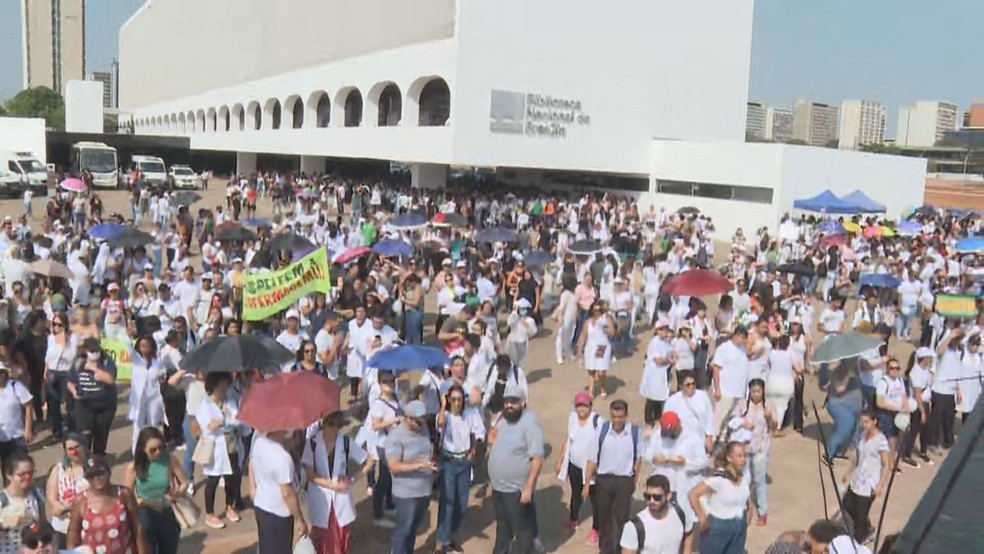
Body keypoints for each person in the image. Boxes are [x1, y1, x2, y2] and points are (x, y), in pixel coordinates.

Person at [301, 411, 372, 554]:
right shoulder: (312, 444)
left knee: (340, 536)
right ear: (325, 424)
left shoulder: (345, 441)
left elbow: (369, 461)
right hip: (320, 498)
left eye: (339, 426)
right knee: (322, 538)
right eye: (333, 426)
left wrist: (352, 479)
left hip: (341, 499)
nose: (336, 430)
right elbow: (310, 474)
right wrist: (331, 485)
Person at [488, 384, 544, 554]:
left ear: (523, 402)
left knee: (523, 533)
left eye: (514, 401)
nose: (509, 405)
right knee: (503, 529)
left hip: (516, 491)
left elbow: (537, 459)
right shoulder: (505, 418)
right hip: (499, 488)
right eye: (506, 401)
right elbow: (491, 435)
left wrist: (528, 488)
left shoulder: (530, 422)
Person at [583, 399, 642, 554]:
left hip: (624, 480)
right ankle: (606, 550)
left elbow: (638, 459)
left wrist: (633, 481)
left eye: (620, 416)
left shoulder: (635, 432)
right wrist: (587, 483)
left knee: (622, 518)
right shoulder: (602, 431)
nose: (617, 420)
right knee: (604, 517)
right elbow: (592, 459)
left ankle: (620, 549)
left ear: (626, 415)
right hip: (604, 480)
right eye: (614, 416)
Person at [435, 384, 485, 553]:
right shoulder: (445, 415)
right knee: (447, 502)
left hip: (464, 461)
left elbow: (480, 433)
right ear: (449, 400)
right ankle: (440, 542)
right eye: (454, 399)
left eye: (460, 399)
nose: (457, 403)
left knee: (461, 504)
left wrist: (474, 451)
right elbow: (440, 424)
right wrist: (443, 405)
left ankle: (450, 536)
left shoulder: (471, 413)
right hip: (448, 461)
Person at [67, 455, 148, 553]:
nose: (97, 478)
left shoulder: (124, 495)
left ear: (109, 472)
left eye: (100, 473)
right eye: (91, 476)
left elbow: (137, 528)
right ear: (86, 478)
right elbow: (73, 534)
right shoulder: (81, 501)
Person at [123, 427, 186, 554]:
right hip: (145, 513)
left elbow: (184, 483)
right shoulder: (133, 467)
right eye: (153, 450)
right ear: (142, 449)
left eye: (161, 447)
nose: (158, 452)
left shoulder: (169, 459)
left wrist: (177, 493)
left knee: (169, 549)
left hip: (167, 510)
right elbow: (127, 495)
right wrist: (140, 501)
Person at [385, 400, 435, 554]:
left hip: (424, 490)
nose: (422, 424)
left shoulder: (424, 428)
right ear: (408, 418)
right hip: (406, 494)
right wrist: (419, 466)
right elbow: (394, 467)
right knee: (403, 531)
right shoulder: (396, 437)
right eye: (419, 421)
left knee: (412, 530)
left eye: (424, 420)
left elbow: (428, 451)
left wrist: (431, 464)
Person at [195, 372, 242, 530]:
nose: (225, 387)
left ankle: (230, 506)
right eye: (222, 384)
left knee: (232, 477)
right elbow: (208, 427)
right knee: (213, 480)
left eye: (226, 384)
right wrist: (224, 420)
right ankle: (210, 513)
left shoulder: (230, 401)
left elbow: (237, 420)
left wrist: (222, 422)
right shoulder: (205, 404)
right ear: (213, 385)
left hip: (231, 444)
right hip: (214, 446)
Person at [249, 430, 306, 554]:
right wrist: (299, 519)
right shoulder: (283, 458)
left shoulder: (259, 443)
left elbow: (252, 463)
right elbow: (287, 493)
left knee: (266, 547)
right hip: (279, 514)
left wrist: (252, 487)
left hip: (261, 505)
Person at [689, 441, 750, 554]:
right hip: (718, 527)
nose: (743, 459)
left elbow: (748, 499)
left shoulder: (745, 476)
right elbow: (694, 494)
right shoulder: (719, 478)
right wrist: (702, 518)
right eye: (739, 456)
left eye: (744, 456)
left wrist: (747, 518)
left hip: (739, 526)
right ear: (729, 458)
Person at [554, 391, 601, 541]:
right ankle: (573, 519)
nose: (581, 409)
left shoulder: (598, 421)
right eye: (578, 405)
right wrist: (560, 460)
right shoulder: (572, 417)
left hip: (590, 468)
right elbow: (568, 438)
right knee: (576, 494)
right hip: (574, 464)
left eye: (584, 405)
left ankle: (596, 529)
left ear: (590, 406)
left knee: (595, 499)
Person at [841, 411, 892, 544]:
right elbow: (858, 457)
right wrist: (849, 472)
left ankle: (860, 539)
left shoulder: (881, 441)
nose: (864, 425)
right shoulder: (863, 436)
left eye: (866, 422)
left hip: (870, 483)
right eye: (863, 422)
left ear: (874, 421)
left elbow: (886, 465)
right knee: (847, 505)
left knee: (861, 514)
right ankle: (867, 529)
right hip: (858, 479)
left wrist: (881, 485)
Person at [67, 338, 117, 456]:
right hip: (84, 404)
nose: (94, 353)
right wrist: (74, 392)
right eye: (91, 351)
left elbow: (110, 379)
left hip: (104, 405)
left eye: (96, 350)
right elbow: (70, 381)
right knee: (85, 436)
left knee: (101, 435)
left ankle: (99, 458)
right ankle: (86, 459)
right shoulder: (79, 362)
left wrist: (93, 368)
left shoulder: (106, 362)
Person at [618, 474, 689, 554]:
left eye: (657, 497)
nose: (651, 501)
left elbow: (689, 532)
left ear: (668, 496)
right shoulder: (634, 526)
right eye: (647, 496)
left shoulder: (679, 513)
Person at [368, 371, 402, 527]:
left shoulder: (396, 398)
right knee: (383, 479)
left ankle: (389, 504)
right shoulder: (378, 404)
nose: (390, 384)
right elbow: (375, 425)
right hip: (384, 444)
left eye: (392, 381)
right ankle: (377, 513)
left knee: (391, 477)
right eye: (386, 382)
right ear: (380, 384)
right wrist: (393, 421)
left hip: (395, 443)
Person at [43, 434, 88, 548]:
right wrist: (58, 506)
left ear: (84, 446)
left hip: (87, 524)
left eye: (77, 447)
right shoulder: (59, 469)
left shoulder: (93, 468)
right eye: (70, 449)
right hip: (62, 525)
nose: (74, 451)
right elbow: (51, 495)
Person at [128, 337, 168, 453]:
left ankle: (154, 450)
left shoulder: (158, 363)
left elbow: (163, 375)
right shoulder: (137, 361)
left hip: (154, 399)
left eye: (146, 345)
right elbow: (129, 348)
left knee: (154, 425)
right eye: (141, 345)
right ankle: (136, 452)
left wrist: (162, 377)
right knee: (138, 426)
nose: (144, 348)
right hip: (139, 400)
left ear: (152, 347)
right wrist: (129, 336)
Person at [0, 454, 46, 554]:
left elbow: (44, 525)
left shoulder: (37, 494)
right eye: (22, 474)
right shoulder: (2, 500)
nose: (28, 478)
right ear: (9, 475)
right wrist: (4, 524)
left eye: (31, 473)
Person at [43, 312, 76, 440]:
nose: (56, 327)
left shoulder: (72, 338)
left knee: (69, 403)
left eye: (59, 325)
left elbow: (71, 357)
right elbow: (48, 355)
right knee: (53, 402)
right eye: (54, 324)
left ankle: (72, 429)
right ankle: (56, 431)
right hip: (52, 372)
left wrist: (63, 344)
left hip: (66, 373)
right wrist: (46, 369)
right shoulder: (51, 338)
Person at [710, 327, 750, 426]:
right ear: (735, 335)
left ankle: (725, 440)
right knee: (719, 419)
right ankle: (713, 439)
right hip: (725, 391)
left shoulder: (743, 350)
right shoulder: (724, 348)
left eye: (745, 338)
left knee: (734, 420)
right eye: (742, 338)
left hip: (739, 392)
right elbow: (716, 369)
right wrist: (717, 389)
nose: (744, 340)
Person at [640, 319, 676, 427]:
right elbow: (658, 361)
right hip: (654, 374)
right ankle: (648, 421)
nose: (664, 331)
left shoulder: (665, 342)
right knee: (652, 398)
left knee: (659, 397)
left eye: (665, 329)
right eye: (662, 329)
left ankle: (657, 418)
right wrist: (669, 361)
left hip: (661, 374)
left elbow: (671, 353)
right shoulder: (655, 342)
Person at [578, 300, 616, 398]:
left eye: (599, 310)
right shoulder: (588, 322)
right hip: (590, 348)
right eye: (595, 310)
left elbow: (612, 333)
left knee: (601, 371)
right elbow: (583, 336)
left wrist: (608, 330)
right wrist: (579, 350)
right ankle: (591, 392)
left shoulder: (606, 319)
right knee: (591, 370)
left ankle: (603, 387)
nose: (597, 312)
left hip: (602, 347)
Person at [0, 362, 34, 468]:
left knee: (21, 464)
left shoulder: (15, 386)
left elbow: (28, 406)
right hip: (2, 437)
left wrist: (28, 429)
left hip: (17, 435)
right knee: (6, 467)